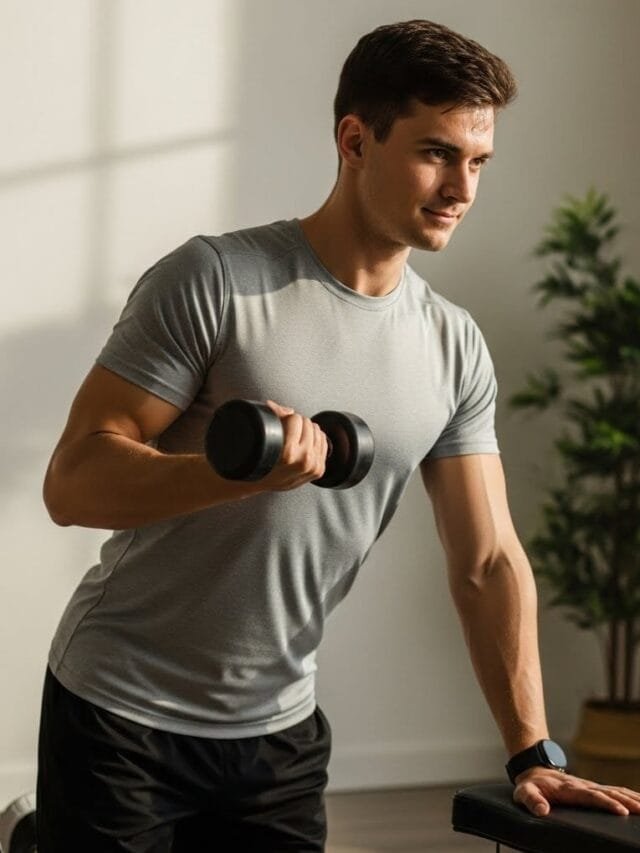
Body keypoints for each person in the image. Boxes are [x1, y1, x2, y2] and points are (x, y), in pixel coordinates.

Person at [36, 17, 640, 852]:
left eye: (478, 161)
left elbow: (488, 559)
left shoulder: (450, 345)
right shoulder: (217, 281)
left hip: (278, 733)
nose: (461, 187)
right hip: (120, 711)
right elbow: (72, 482)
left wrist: (531, 749)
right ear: (355, 140)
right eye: (435, 153)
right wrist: (233, 474)